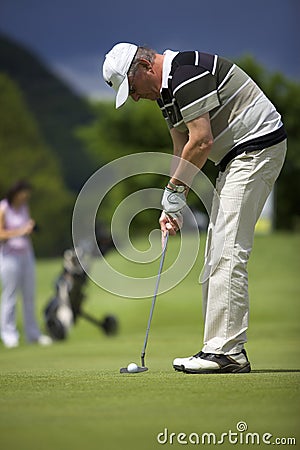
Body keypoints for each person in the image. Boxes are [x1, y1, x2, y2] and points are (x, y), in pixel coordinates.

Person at [102, 43, 287, 374]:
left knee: (228, 249)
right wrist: (172, 202)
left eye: (131, 89)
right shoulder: (166, 92)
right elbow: (181, 147)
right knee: (216, 252)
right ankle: (218, 348)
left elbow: (202, 141)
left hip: (256, 149)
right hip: (235, 159)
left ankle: (227, 353)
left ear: (144, 67)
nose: (133, 98)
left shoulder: (186, 74)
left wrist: (175, 191)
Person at [0, 180, 52, 348]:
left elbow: (25, 228)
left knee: (29, 296)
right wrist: (20, 231)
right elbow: (1, 234)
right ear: (16, 193)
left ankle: (33, 334)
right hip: (9, 257)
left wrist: (29, 228)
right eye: (24, 194)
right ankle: (9, 335)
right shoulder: (3, 208)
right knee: (10, 295)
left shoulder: (24, 208)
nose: (26, 197)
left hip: (26, 255)